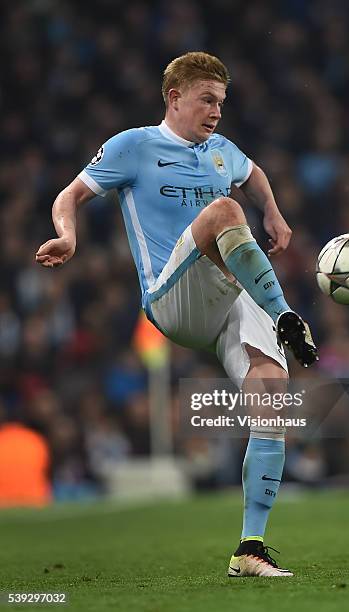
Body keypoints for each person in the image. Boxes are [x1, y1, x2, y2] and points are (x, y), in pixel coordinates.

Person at [36, 51, 318, 577]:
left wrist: (275, 211)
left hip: (228, 295)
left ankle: (250, 548)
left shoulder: (223, 152)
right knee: (226, 211)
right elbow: (69, 195)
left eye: (222, 102)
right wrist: (68, 236)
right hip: (171, 297)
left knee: (272, 397)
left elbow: (253, 173)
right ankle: (285, 313)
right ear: (175, 97)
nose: (216, 111)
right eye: (207, 100)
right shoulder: (134, 145)